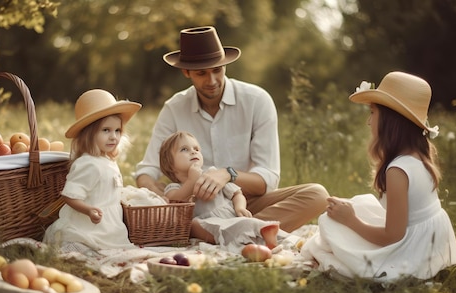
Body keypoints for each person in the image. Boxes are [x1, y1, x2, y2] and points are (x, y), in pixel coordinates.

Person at [135, 26, 328, 233]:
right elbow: (147, 171)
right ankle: (248, 232)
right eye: (201, 73)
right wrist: (164, 199)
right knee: (137, 198)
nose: (212, 81)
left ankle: (223, 231)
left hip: (244, 203)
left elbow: (268, 179)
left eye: (217, 70)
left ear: (225, 65)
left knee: (317, 195)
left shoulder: (257, 100)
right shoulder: (174, 108)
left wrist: (228, 175)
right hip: (192, 207)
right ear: (186, 72)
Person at [300, 71, 456, 282]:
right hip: (428, 242)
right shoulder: (419, 156)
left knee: (331, 223)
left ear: (390, 120)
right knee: (360, 203)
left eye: (372, 112)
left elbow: (393, 236)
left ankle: (331, 256)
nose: (369, 121)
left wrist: (351, 221)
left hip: (412, 253)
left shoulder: (397, 171)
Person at [44, 89, 141, 251]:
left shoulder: (108, 161)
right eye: (106, 130)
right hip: (85, 227)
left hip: (108, 228)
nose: (113, 136)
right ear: (89, 134)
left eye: (117, 131)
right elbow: (69, 196)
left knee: (113, 249)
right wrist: (88, 210)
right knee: (81, 248)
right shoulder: (88, 163)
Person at [159, 131, 280, 251]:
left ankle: (268, 235)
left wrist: (240, 208)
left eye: (196, 148)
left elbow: (237, 193)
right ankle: (253, 240)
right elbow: (175, 202)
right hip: (205, 224)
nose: (193, 151)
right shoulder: (174, 187)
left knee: (246, 223)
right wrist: (192, 180)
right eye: (184, 149)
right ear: (170, 165)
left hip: (230, 217)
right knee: (194, 225)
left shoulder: (212, 174)